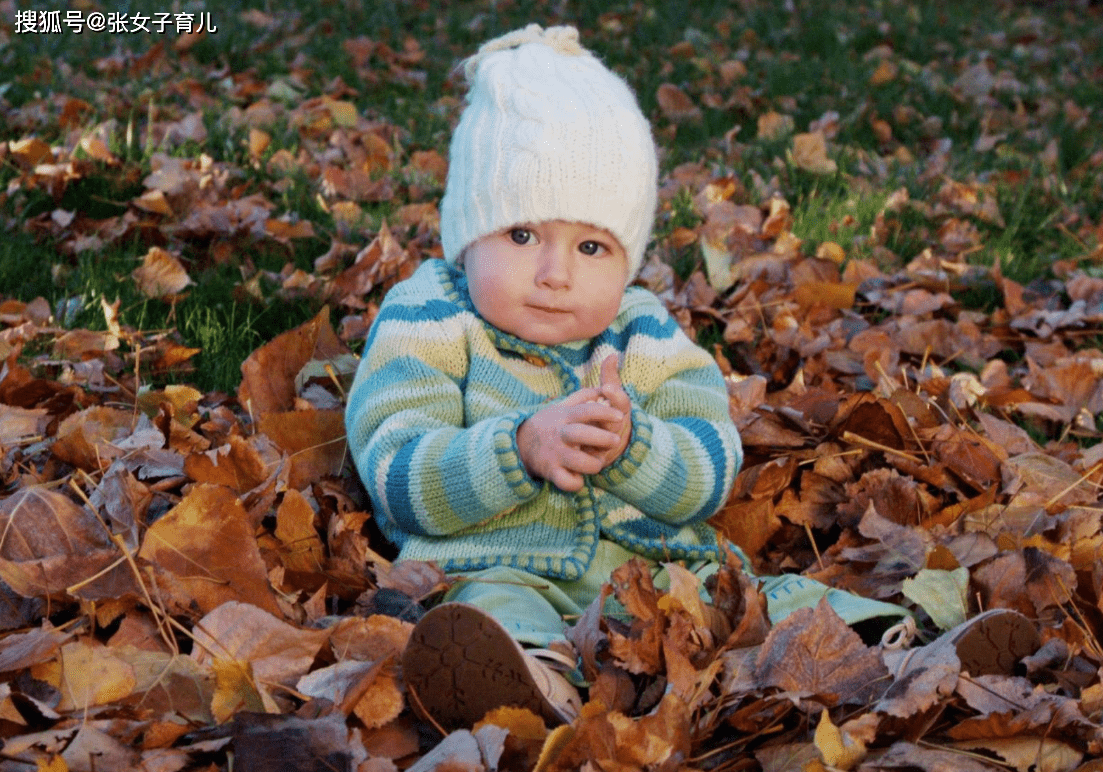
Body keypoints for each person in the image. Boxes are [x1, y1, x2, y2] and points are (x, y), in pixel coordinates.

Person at [344, 23, 903, 731]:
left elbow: (708, 468)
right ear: (467, 234)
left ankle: (878, 642)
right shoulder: (431, 312)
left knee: (746, 597)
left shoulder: (644, 329)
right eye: (520, 235)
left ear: (627, 259)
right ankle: (530, 684)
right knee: (480, 612)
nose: (554, 274)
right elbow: (394, 474)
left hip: (653, 570)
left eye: (590, 246)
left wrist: (634, 446)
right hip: (494, 560)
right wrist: (516, 448)